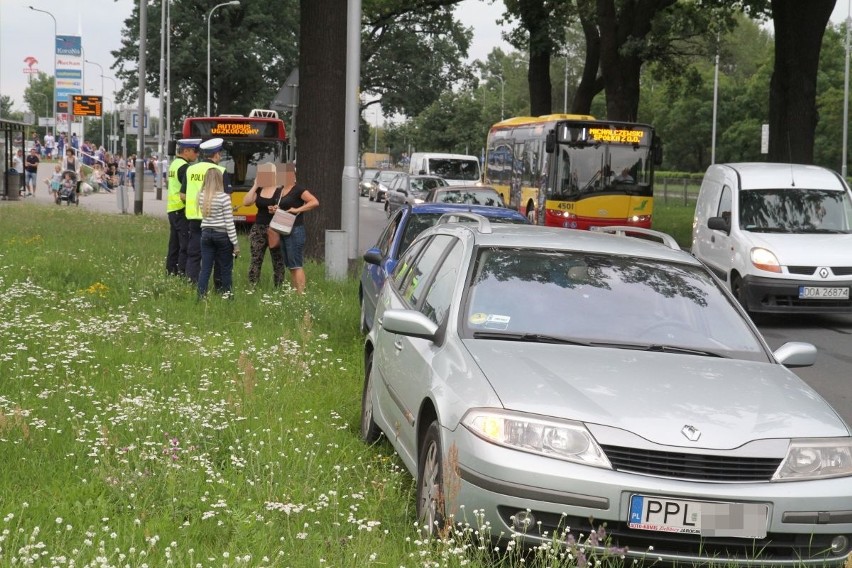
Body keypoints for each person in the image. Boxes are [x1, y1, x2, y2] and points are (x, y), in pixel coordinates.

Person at [183, 138, 229, 283]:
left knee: (194, 254)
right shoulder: (220, 171)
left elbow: (182, 195)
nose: (220, 157)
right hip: (215, 220)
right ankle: (220, 286)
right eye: (219, 154)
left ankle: (192, 283)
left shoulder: (191, 169)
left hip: (194, 219)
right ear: (215, 154)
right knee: (218, 255)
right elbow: (227, 197)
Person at [273, 164, 319, 294]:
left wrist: (297, 209)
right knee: (290, 265)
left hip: (295, 230)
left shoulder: (299, 189)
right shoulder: (281, 190)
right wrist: (275, 209)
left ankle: (301, 295)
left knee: (296, 264)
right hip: (283, 229)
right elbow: (283, 207)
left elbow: (314, 202)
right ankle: (295, 292)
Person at [197, 168, 239, 299]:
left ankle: (200, 296)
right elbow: (229, 223)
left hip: (205, 234)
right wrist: (236, 244)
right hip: (222, 235)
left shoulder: (201, 195)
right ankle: (228, 296)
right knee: (225, 268)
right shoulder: (224, 197)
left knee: (205, 269)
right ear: (219, 180)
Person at [242, 163, 286, 287]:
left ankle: (279, 287)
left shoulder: (280, 190)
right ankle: (253, 286)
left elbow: (286, 207)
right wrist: (255, 185)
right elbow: (246, 202)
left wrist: (277, 209)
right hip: (258, 228)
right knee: (256, 258)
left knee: (277, 260)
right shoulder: (259, 189)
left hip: (275, 229)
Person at [165, 138, 201, 277]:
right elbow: (187, 191)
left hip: (173, 210)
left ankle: (171, 272)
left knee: (174, 244)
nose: (197, 154)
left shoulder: (174, 164)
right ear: (186, 151)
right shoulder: (185, 168)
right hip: (181, 210)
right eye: (195, 151)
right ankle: (182, 274)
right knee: (184, 245)